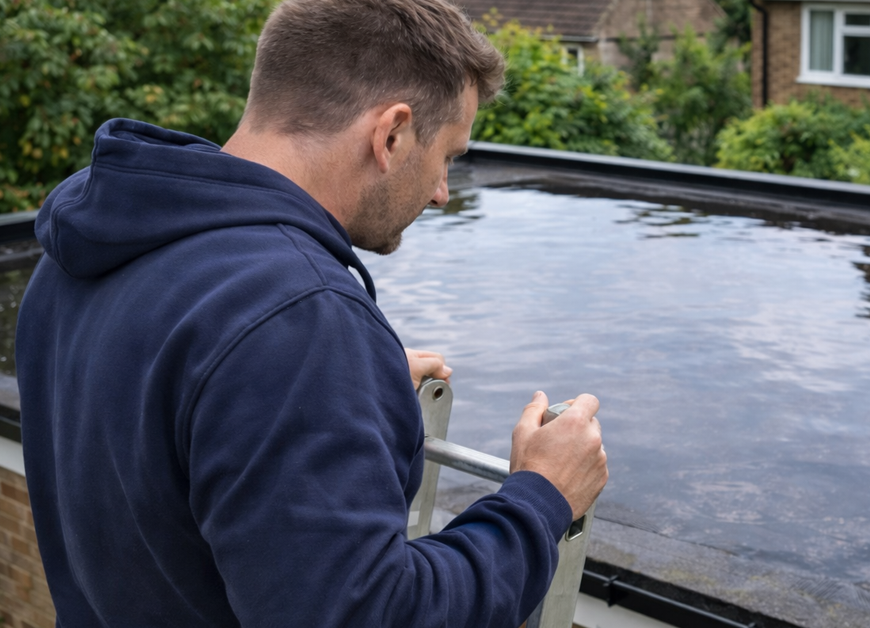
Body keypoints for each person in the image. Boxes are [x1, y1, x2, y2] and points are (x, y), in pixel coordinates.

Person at [14, 0, 608, 625]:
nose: (441, 191)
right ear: (392, 134)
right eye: (449, 157)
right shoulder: (296, 319)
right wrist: (541, 499)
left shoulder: (80, 253)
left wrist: (346, 389)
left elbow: (159, 437)